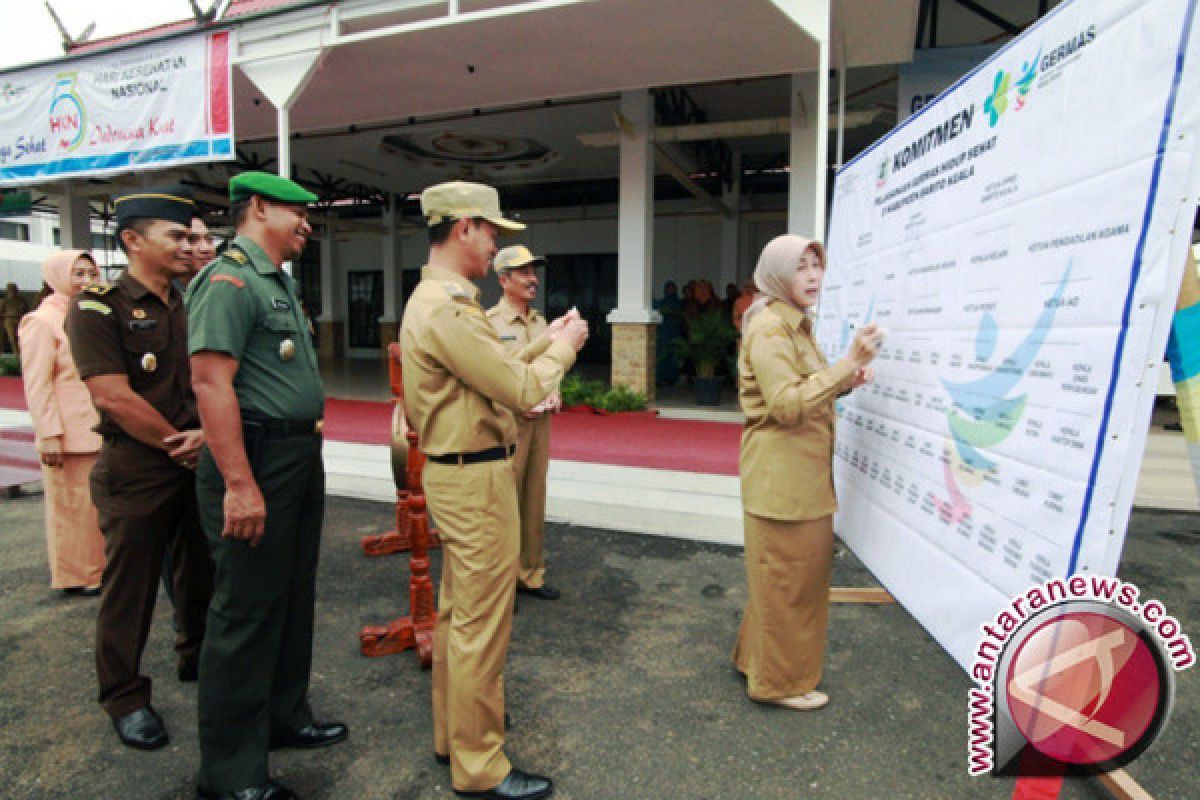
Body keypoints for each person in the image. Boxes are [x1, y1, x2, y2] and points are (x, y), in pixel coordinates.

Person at [401, 180, 587, 800]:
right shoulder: (450, 306)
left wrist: (542, 339)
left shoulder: (438, 300)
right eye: (490, 234)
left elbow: (488, 367)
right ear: (463, 229)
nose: (494, 249)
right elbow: (522, 388)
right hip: (476, 476)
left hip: (462, 471)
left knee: (459, 616)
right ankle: (480, 764)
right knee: (481, 624)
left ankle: (455, 735)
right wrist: (562, 350)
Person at [187, 171, 346, 800]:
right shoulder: (227, 279)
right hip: (255, 459)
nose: (307, 221)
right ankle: (228, 774)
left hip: (296, 454)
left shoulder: (275, 280)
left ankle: (282, 718)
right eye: (296, 211)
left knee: (291, 597)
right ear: (257, 208)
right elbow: (209, 383)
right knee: (246, 614)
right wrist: (239, 485)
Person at [64, 186, 214, 751]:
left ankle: (195, 657)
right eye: (175, 236)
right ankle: (124, 697)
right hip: (138, 469)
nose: (188, 246)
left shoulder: (190, 300)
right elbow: (112, 396)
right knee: (130, 591)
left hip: (192, 460)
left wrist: (206, 438)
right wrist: (182, 443)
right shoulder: (99, 306)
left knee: (200, 574)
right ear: (133, 241)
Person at [733, 234, 882, 711]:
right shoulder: (771, 328)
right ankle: (780, 684)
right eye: (800, 267)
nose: (813, 276)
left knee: (779, 581)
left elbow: (806, 389)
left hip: (796, 477)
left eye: (817, 265)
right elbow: (785, 405)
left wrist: (846, 380)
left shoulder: (792, 324)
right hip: (784, 481)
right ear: (778, 273)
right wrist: (848, 365)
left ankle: (755, 662)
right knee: (793, 584)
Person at [18, 250, 106, 596]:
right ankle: (78, 574)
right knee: (73, 508)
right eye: (78, 274)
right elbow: (37, 384)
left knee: (96, 506)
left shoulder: (91, 314)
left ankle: (99, 568)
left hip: (99, 426)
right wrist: (49, 434)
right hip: (68, 431)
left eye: (91, 273)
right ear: (55, 277)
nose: (86, 281)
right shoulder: (41, 321)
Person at [487, 245, 561, 601]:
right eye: (524, 273)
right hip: (509, 423)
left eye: (534, 272)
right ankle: (503, 582)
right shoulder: (490, 323)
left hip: (540, 422)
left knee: (534, 497)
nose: (533, 280)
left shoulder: (540, 322)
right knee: (506, 503)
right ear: (503, 280)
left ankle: (530, 574)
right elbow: (492, 375)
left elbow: (550, 364)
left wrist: (555, 390)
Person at [654, 281, 684, 386]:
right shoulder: (661, 303)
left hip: (675, 334)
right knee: (662, 356)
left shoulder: (680, 303)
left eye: (672, 288)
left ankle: (672, 379)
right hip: (664, 334)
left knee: (674, 357)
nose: (670, 290)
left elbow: (683, 315)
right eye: (669, 288)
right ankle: (660, 379)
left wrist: (673, 312)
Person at [1, 282, 30, 355]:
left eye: (13, 289)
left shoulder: (22, 301)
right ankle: (16, 353)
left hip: (20, 319)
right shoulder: (4, 301)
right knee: (12, 338)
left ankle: (22, 353)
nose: (12, 292)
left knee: (21, 337)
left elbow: (28, 312)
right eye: (10, 290)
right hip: (9, 320)